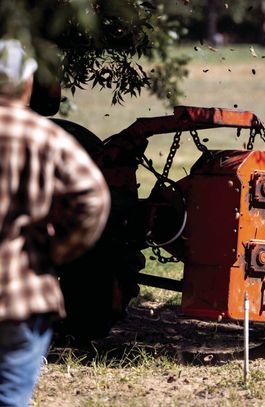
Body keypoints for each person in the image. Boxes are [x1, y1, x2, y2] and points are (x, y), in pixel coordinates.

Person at [0, 39, 110, 406]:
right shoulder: (45, 136)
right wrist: (58, 251)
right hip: (22, 296)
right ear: (29, 84)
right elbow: (93, 198)